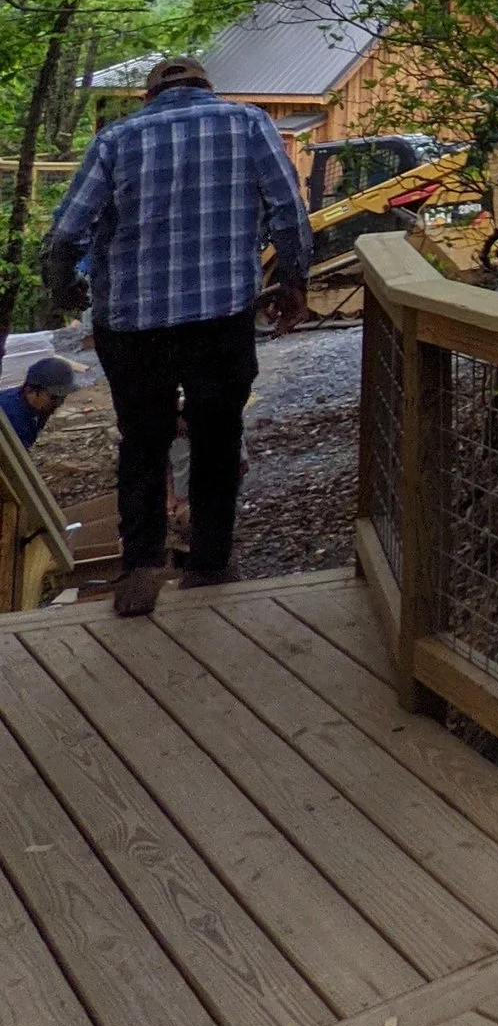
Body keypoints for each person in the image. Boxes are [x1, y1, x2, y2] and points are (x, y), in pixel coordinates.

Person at [40, 57, 311, 615]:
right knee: (216, 437)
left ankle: (142, 566)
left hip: (133, 326)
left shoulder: (118, 138)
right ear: (206, 89)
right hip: (220, 316)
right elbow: (288, 212)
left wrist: (65, 291)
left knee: (143, 441)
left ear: (150, 96)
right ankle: (210, 564)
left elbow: (67, 232)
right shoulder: (249, 123)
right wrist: (292, 283)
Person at [0, 354, 77, 454]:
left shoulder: (37, 409)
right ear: (30, 390)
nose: (59, 403)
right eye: (54, 398)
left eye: (63, 397)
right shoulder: (10, 418)